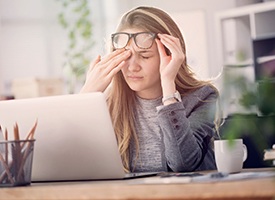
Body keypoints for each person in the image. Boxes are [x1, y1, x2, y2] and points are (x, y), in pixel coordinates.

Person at [80, 6, 220, 173]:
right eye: (126, 56)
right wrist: (86, 96)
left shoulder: (202, 97)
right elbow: (73, 161)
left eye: (145, 56)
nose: (132, 67)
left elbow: (182, 164)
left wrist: (168, 86)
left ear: (169, 56)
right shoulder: (109, 103)